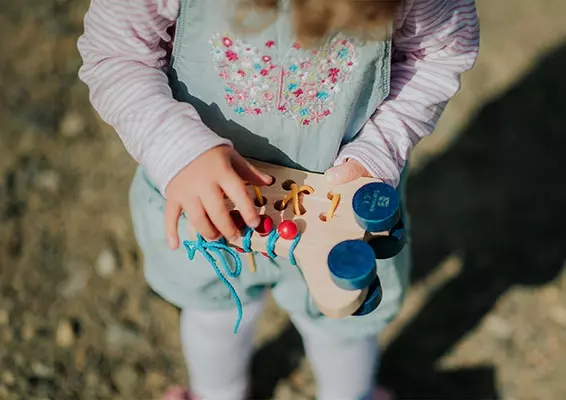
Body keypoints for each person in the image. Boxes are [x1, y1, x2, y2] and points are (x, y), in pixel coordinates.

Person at [77, 0, 479, 399]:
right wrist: (177, 149)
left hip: (338, 214)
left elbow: (439, 52)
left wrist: (377, 151)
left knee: (342, 325)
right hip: (207, 205)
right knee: (216, 314)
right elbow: (116, 51)